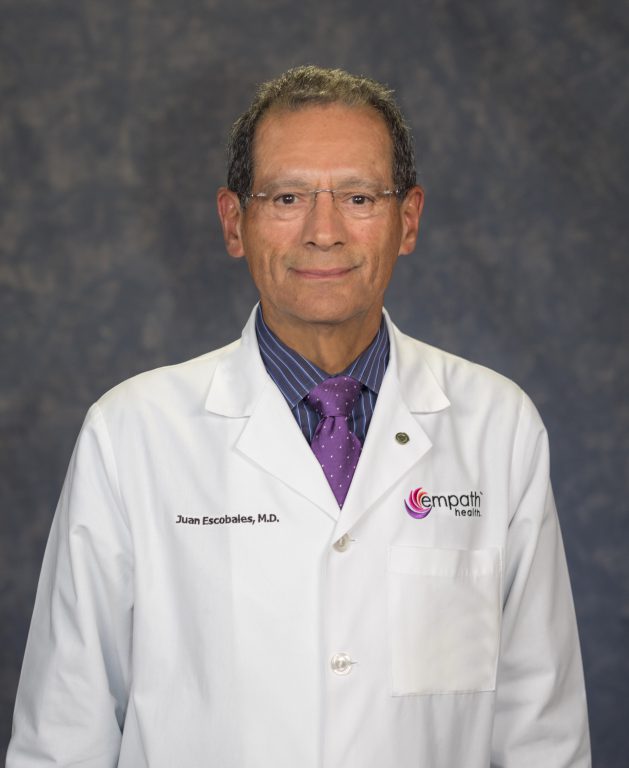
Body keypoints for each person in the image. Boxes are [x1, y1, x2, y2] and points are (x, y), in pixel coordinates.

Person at [7, 66, 591, 767]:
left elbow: (541, 733)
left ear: (407, 220)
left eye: (358, 197)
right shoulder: (131, 435)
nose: (324, 232)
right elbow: (64, 733)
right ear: (234, 222)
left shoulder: (498, 428)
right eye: (287, 197)